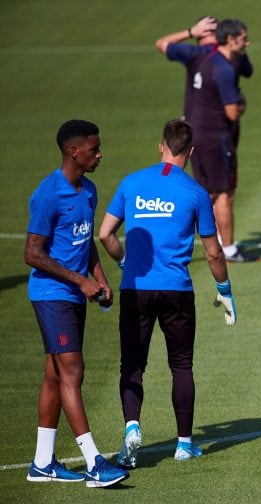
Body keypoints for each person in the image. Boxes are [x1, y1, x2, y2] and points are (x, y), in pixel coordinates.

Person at [98, 119, 238, 467]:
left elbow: (105, 235)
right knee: (181, 365)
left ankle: (132, 429)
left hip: (136, 289)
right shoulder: (195, 193)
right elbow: (213, 252)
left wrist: (125, 262)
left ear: (161, 145)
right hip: (176, 290)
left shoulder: (132, 183)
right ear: (190, 151)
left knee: (132, 365)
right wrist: (225, 290)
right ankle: (184, 444)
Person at [25, 120, 129, 488]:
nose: (100, 153)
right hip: (51, 296)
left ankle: (42, 463)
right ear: (73, 151)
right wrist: (80, 280)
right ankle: (94, 463)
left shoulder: (89, 192)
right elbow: (32, 254)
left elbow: (84, 245)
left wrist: (99, 277)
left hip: (74, 294)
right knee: (73, 371)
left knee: (55, 375)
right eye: (94, 148)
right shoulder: (47, 195)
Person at [156, 18, 256, 263]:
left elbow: (248, 70)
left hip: (196, 135)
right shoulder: (216, 63)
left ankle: (201, 241)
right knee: (223, 193)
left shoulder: (202, 56)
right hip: (215, 138)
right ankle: (228, 249)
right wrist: (242, 102)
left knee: (207, 192)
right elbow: (232, 111)